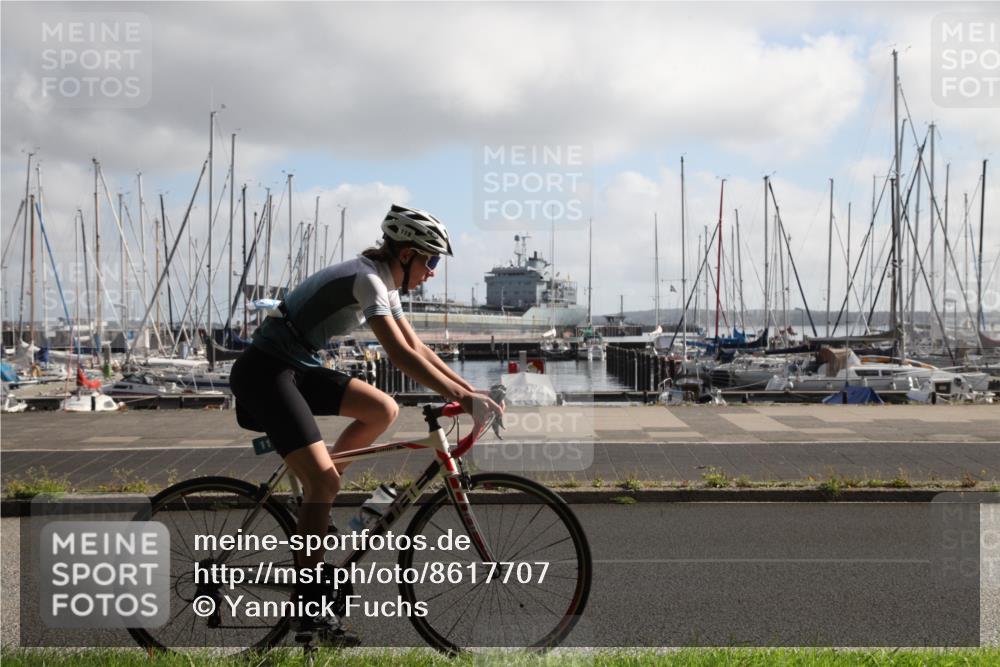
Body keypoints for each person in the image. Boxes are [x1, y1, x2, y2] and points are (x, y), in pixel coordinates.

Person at [229, 204, 503, 643]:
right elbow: (399, 355)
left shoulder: (384, 280)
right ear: (408, 254)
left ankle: (320, 493)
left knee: (384, 410)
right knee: (322, 487)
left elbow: (420, 349)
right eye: (431, 261)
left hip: (297, 366)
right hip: (266, 372)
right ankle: (309, 606)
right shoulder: (369, 279)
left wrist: (471, 392)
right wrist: (462, 399)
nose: (432, 272)